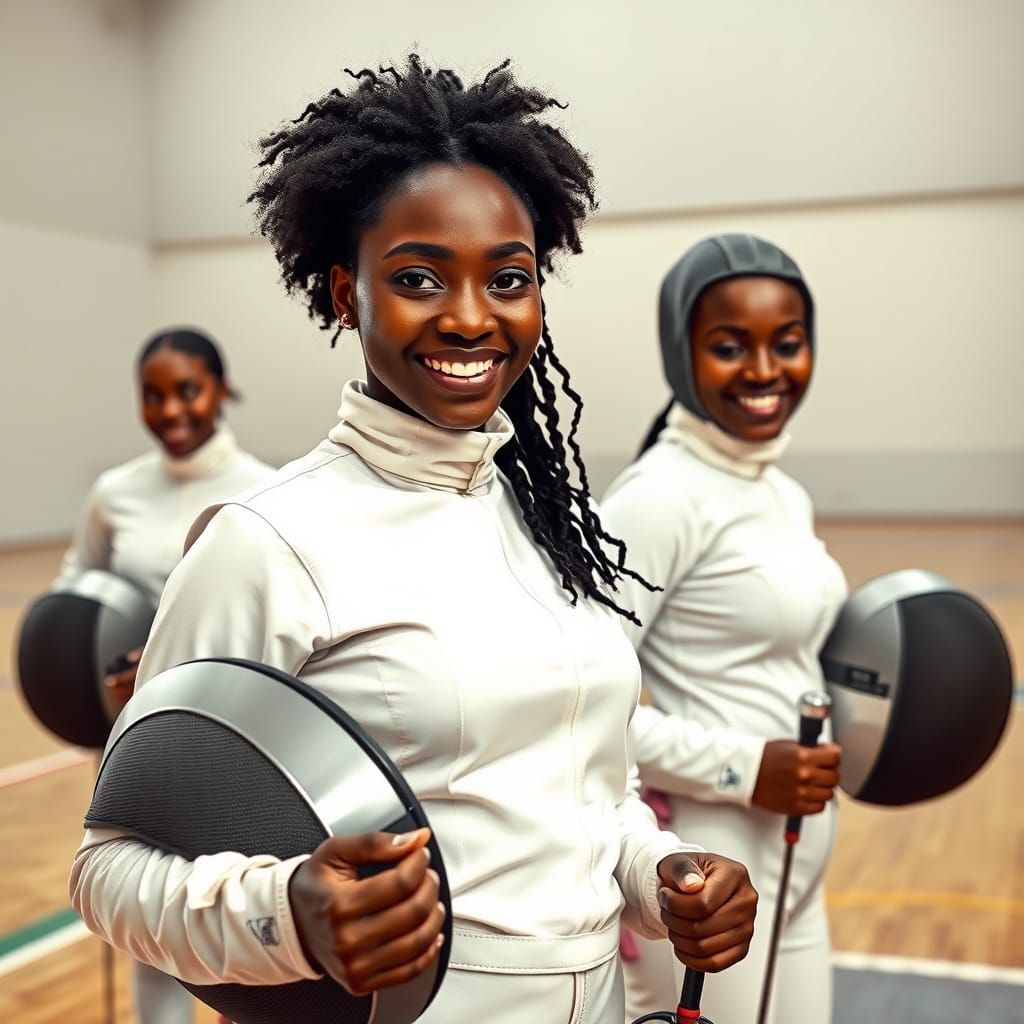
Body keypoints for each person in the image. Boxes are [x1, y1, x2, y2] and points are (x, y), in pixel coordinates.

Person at [69, 58, 757, 1023]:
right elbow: (112, 866)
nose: (472, 316)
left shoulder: (548, 525)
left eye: (507, 280)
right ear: (347, 294)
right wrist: (289, 914)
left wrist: (660, 873)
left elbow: (591, 795)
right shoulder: (265, 543)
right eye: (420, 278)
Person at [602, 234, 846, 1024]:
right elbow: (578, 715)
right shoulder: (658, 499)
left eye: (788, 342)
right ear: (682, 354)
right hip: (714, 872)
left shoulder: (783, 493)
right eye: (730, 346)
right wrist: (746, 767)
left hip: (800, 861)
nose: (766, 370)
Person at [58, 327, 274, 1023]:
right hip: (138, 751)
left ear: (221, 389)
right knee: (153, 932)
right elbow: (75, 606)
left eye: (188, 390)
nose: (171, 411)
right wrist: (103, 679)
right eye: (152, 396)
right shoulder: (114, 494)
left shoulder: (265, 491)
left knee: (247, 922)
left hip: (240, 748)